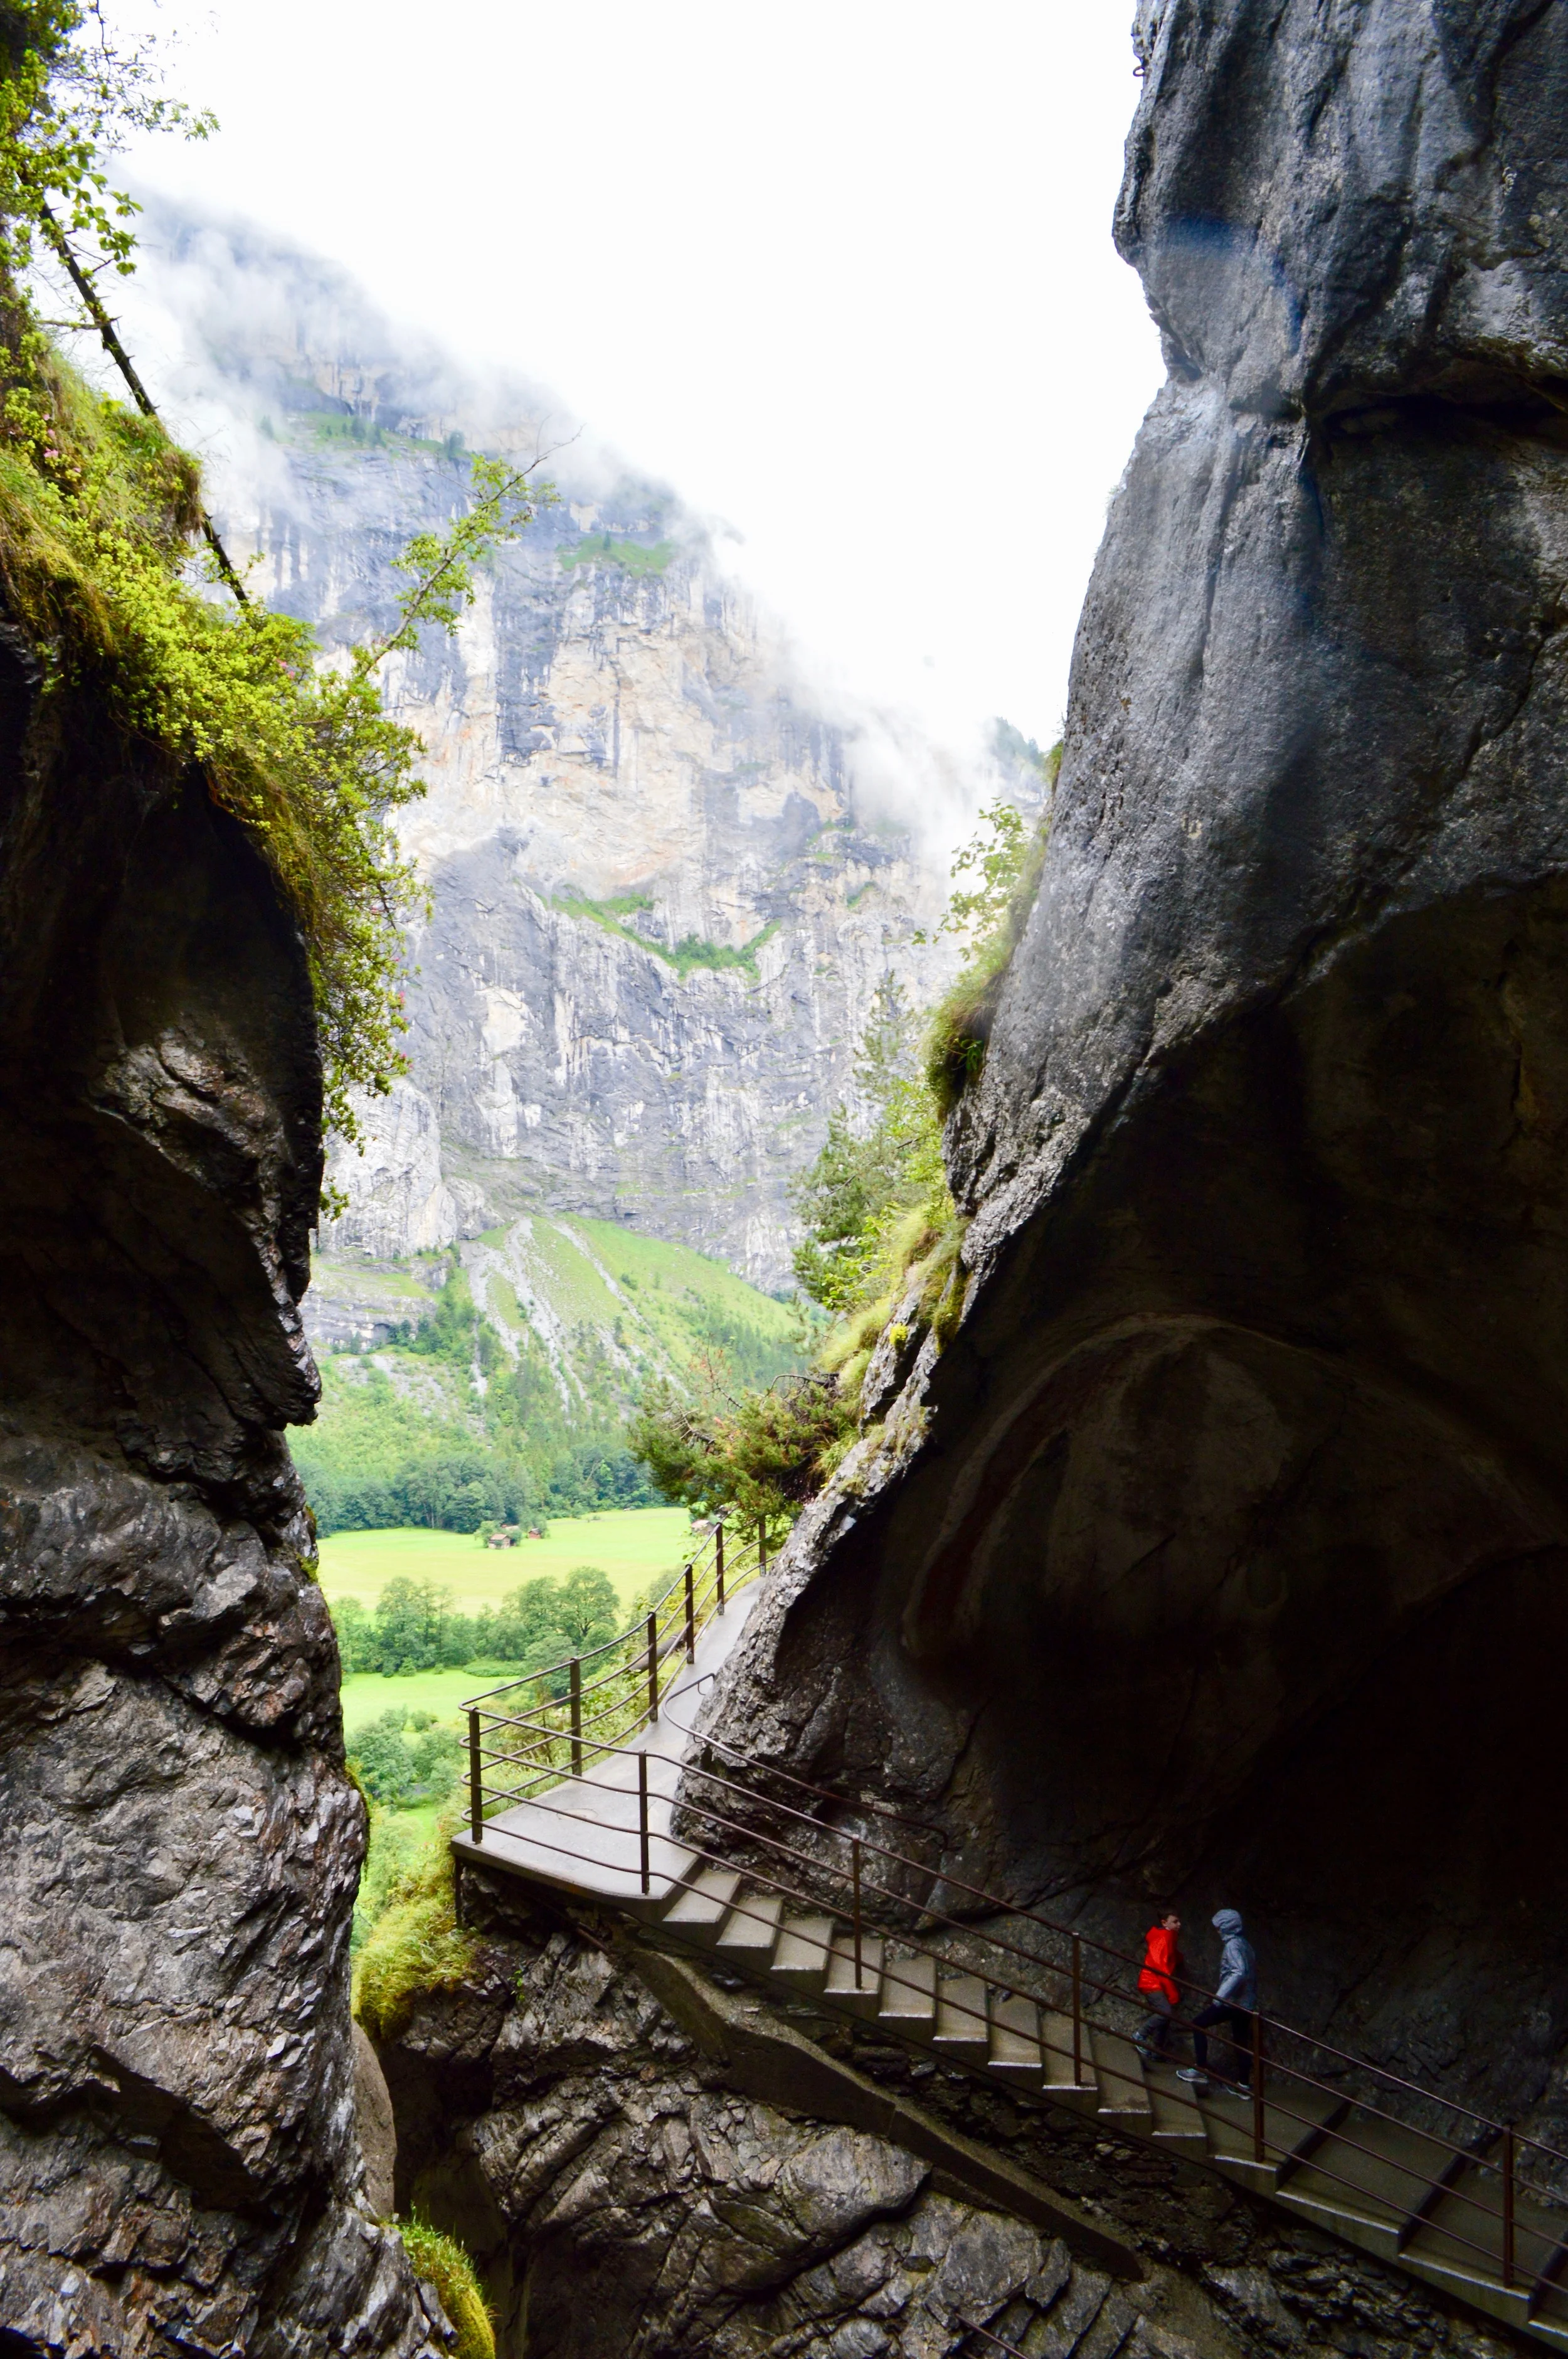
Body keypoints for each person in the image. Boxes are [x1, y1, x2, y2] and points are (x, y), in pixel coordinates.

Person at [1178, 1909, 1258, 2091]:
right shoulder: (1245, 1945)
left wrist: (1219, 1997)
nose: (1217, 1931)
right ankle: (1244, 2085)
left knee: (1198, 2024)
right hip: (1246, 2003)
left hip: (1233, 2002)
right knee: (1240, 2042)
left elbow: (1239, 1972)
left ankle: (1200, 2069)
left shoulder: (1233, 1946)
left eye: (1219, 1927)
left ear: (1226, 1927)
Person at [1133, 1911, 1182, 2068]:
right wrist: (1172, 1992)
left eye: (1179, 1921)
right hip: (1152, 1981)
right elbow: (1160, 1966)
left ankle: (1157, 2050)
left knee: (1165, 2015)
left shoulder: (1167, 1936)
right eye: (1175, 1921)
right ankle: (1140, 2035)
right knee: (1165, 2012)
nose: (1179, 1925)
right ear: (1164, 1922)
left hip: (1155, 1981)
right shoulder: (1163, 1937)